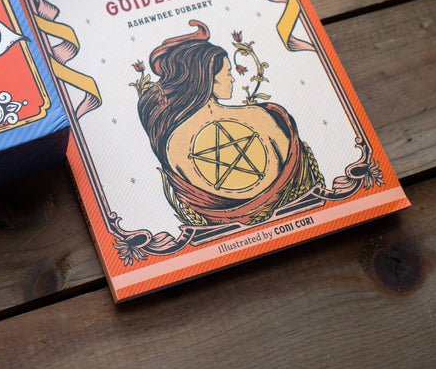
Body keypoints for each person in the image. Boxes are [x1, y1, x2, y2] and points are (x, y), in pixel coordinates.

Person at [136, 21, 323, 226]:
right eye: (227, 73)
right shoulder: (259, 116)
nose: (233, 79)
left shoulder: (173, 146)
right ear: (207, 78)